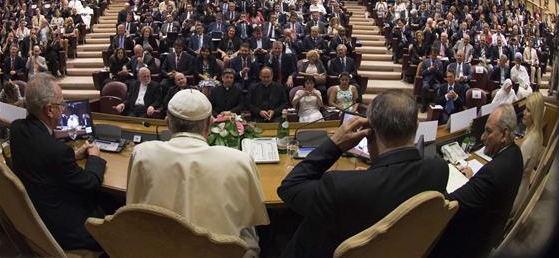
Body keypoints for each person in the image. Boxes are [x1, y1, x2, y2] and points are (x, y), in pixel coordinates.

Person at [278, 90, 448, 258]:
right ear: (417, 126)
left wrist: (334, 144)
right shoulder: (439, 169)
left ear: (370, 131)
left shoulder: (340, 187)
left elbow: (289, 187)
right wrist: (372, 175)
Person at [126, 89, 270, 255]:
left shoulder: (141, 153)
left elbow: (133, 209)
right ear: (209, 124)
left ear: (168, 122)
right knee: (248, 231)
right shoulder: (240, 160)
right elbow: (252, 215)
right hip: (219, 253)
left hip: (159, 249)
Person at [10, 74, 108, 251]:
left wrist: (73, 155)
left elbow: (44, 159)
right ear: (49, 110)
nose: (63, 109)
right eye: (61, 104)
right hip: (67, 229)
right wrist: (94, 157)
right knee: (111, 203)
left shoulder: (16, 129)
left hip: (38, 217)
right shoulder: (57, 151)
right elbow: (91, 183)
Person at [431, 104, 523, 258]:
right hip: (489, 231)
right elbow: (487, 192)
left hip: (468, 246)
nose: (482, 137)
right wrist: (474, 179)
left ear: (504, 134)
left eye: (488, 131)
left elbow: (449, 204)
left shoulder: (493, 174)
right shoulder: (515, 154)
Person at [512, 92, 544, 214]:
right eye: (525, 109)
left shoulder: (529, 142)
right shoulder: (537, 134)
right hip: (523, 188)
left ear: (535, 114)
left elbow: (515, 173)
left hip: (516, 194)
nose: (524, 113)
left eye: (528, 111)